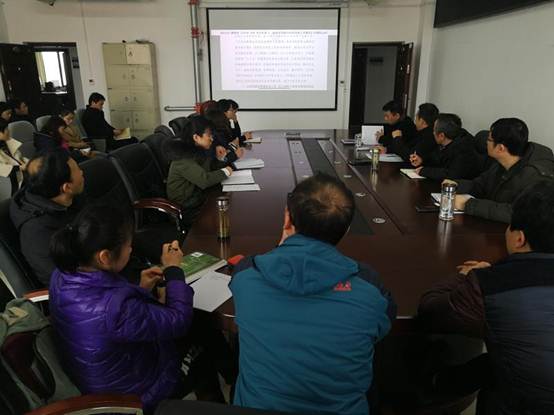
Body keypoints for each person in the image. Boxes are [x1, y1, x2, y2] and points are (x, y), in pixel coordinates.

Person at [230, 173, 396, 415]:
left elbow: (264, 269)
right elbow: (384, 322)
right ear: (346, 230)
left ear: (287, 218)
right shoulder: (369, 286)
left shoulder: (246, 274)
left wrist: (281, 246)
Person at [417, 181, 554, 415]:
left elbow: (430, 310)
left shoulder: (492, 285)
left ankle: (431, 387)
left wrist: (470, 277)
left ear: (519, 239)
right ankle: (441, 383)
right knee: (506, 357)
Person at [48, 205, 195, 413]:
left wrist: (140, 289)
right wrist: (173, 270)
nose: (131, 249)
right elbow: (179, 320)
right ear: (104, 257)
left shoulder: (63, 274)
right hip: (134, 396)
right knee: (202, 333)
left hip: (99, 376)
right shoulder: (117, 310)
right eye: (128, 245)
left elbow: (105, 313)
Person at [446, 118, 554, 223]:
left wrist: (467, 204)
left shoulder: (536, 176)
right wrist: (455, 185)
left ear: (501, 148)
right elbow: (479, 185)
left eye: (489, 140)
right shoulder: (501, 163)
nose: (486, 143)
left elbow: (516, 213)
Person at [10, 150, 85, 285]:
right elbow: (64, 281)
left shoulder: (69, 200)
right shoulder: (36, 232)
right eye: (78, 170)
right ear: (67, 187)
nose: (82, 172)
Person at [165, 115, 233, 225]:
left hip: (197, 197)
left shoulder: (196, 151)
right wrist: (226, 171)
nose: (212, 139)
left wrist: (220, 159)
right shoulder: (183, 158)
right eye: (209, 135)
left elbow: (207, 170)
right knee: (226, 214)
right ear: (196, 137)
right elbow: (204, 180)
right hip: (186, 208)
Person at [410, 113, 483, 181]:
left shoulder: (463, 149)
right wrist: (422, 160)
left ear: (441, 136)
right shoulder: (445, 142)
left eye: (434, 130)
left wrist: (424, 171)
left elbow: (451, 175)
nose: (433, 133)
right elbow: (436, 160)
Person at [0, 118, 28, 193]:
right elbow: (2, 169)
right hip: (9, 184)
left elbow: (20, 158)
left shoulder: (6, 142)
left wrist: (30, 162)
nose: (8, 131)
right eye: (6, 129)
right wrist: (20, 168)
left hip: (22, 176)